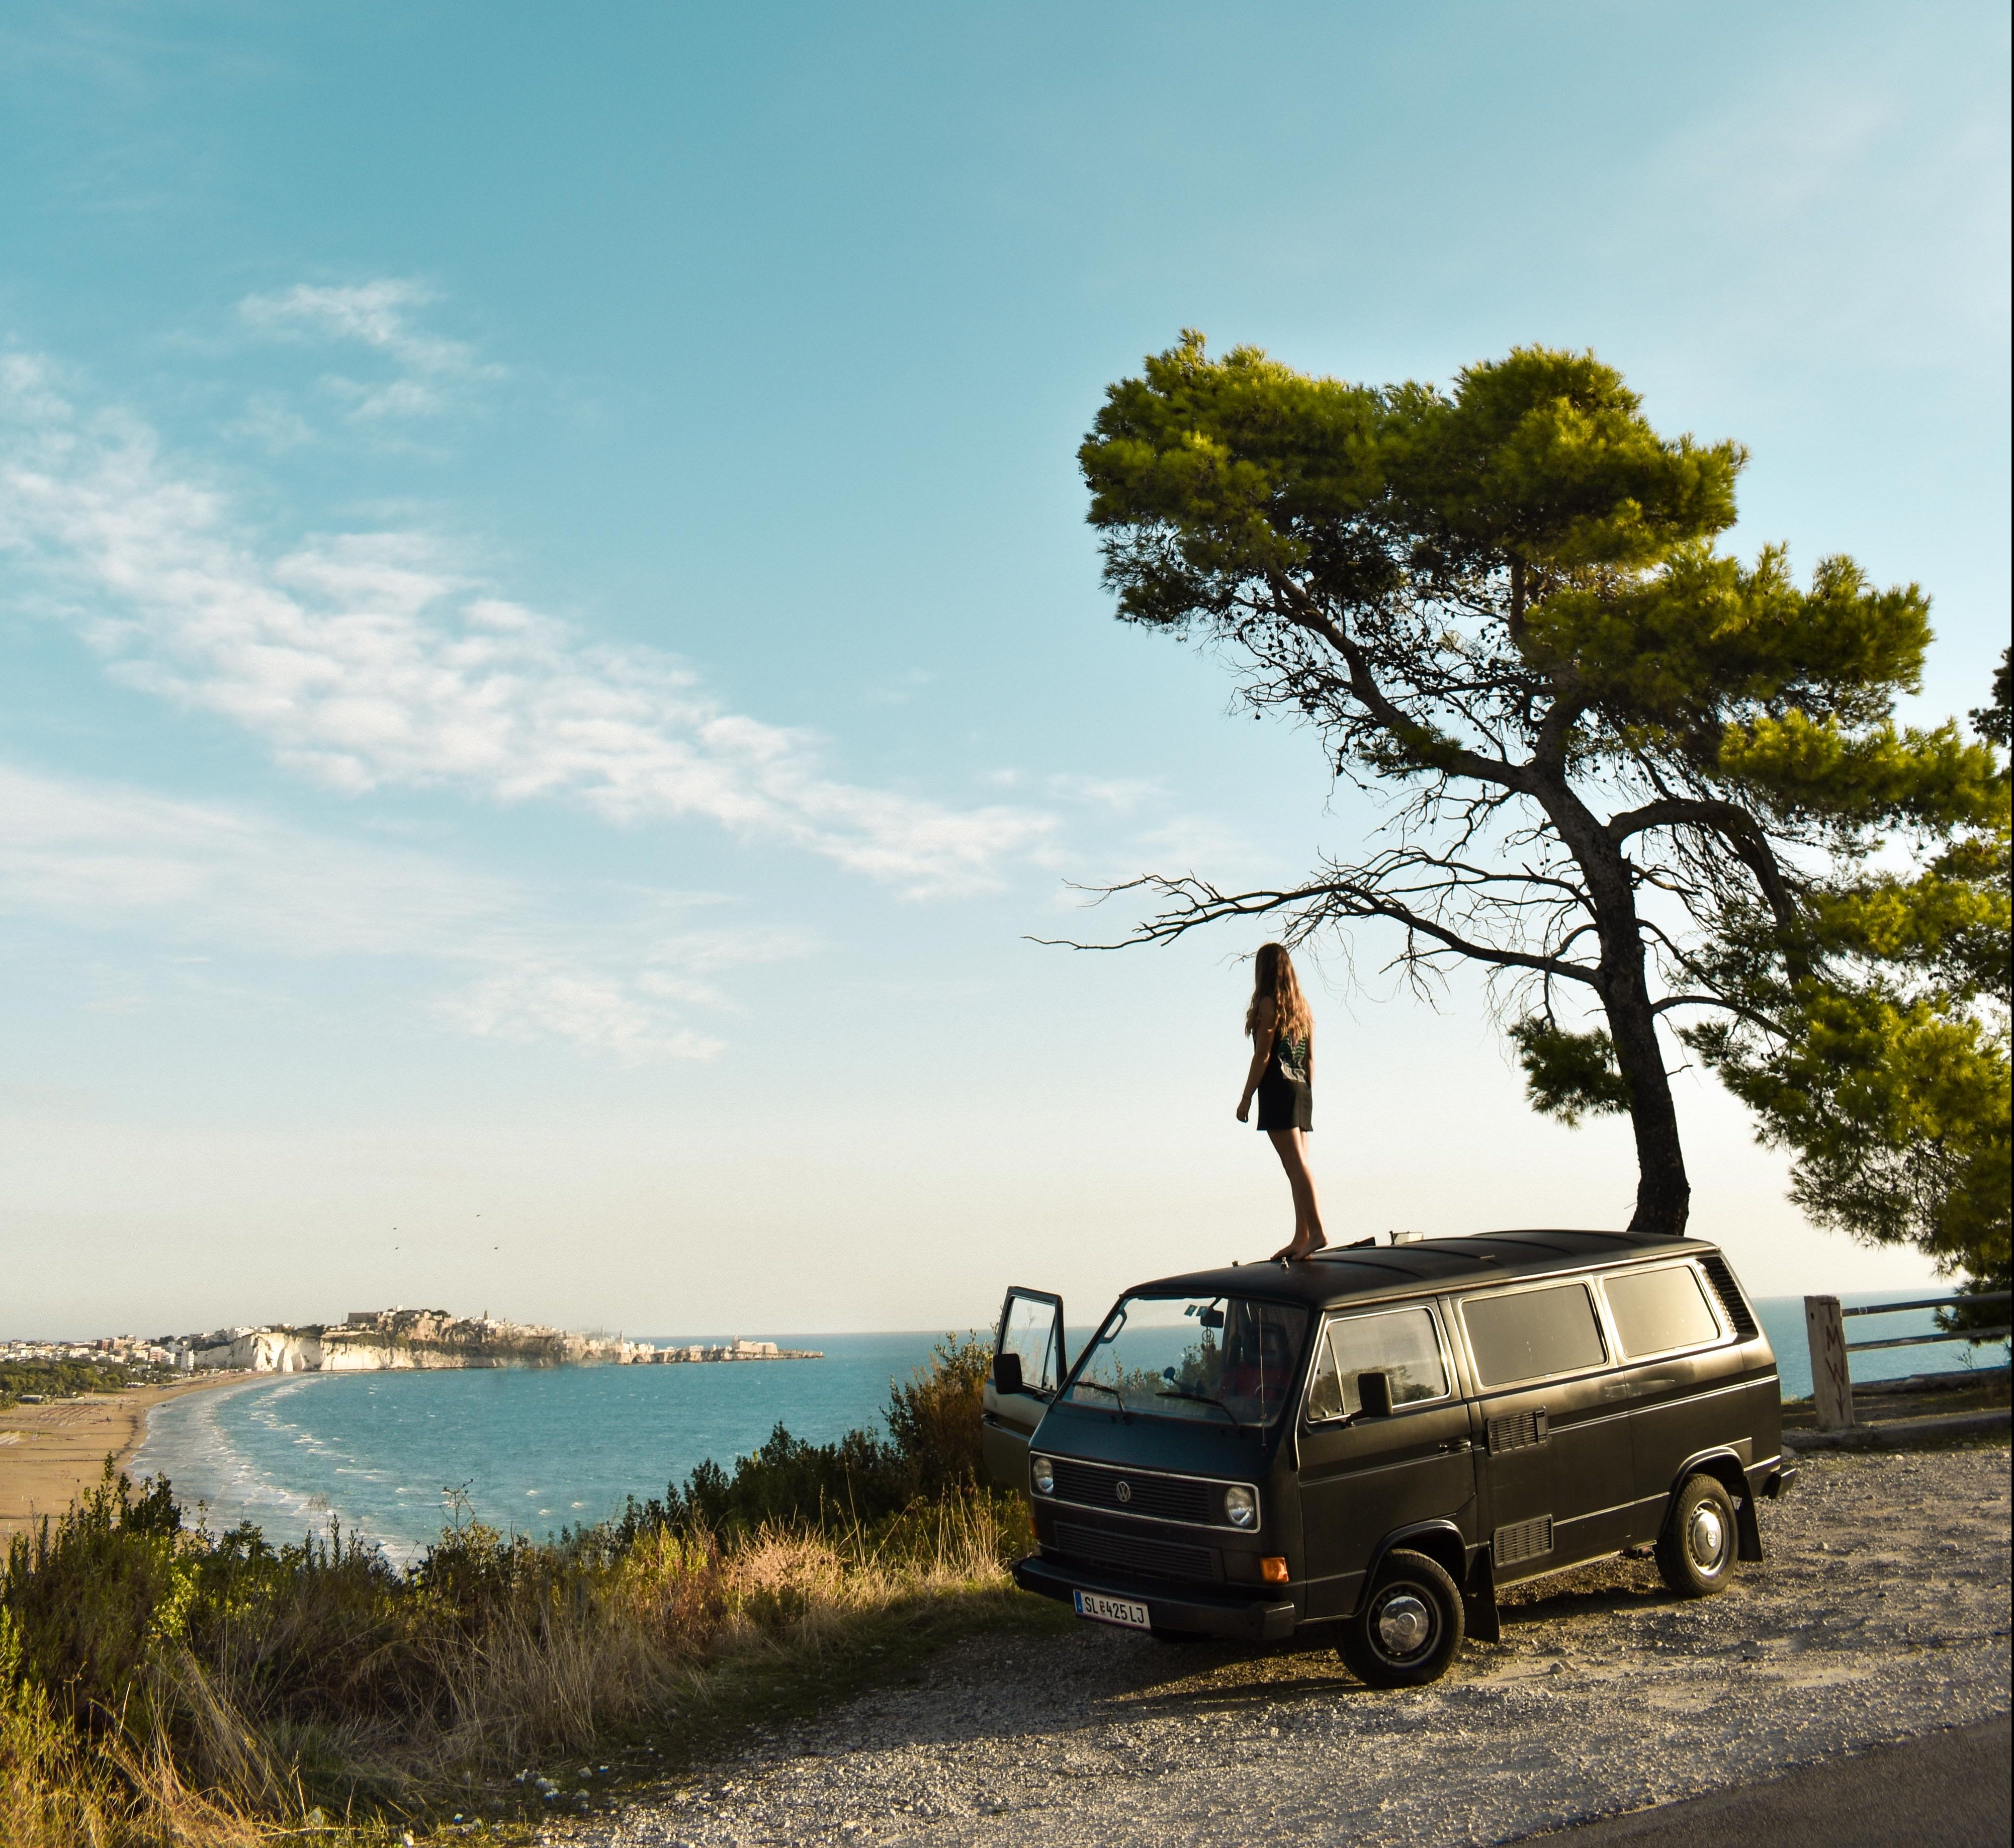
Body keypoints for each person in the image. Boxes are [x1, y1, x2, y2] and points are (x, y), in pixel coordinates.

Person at [1235, 942, 1326, 1261]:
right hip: (1302, 1089)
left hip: (1279, 1090)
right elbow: (1311, 1058)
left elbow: (1263, 1056)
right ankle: (1302, 1235)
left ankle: (1315, 1231)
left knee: (1295, 1166)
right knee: (1297, 1167)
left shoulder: (1269, 1003)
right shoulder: (1302, 1007)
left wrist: (1246, 1098)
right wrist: (1306, 1091)